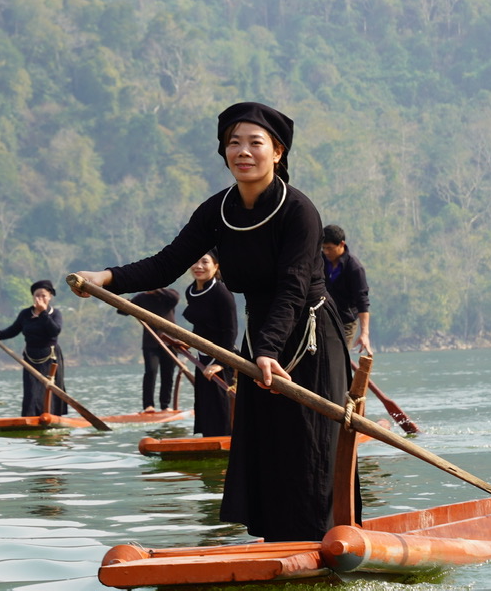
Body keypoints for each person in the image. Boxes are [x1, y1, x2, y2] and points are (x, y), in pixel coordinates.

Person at [75, 101, 351, 542]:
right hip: (262, 335)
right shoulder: (217, 210)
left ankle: (325, 540)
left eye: (255, 143)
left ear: (277, 152)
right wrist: (106, 277)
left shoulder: (300, 210)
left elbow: (294, 288)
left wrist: (267, 350)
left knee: (309, 444)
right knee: (267, 444)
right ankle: (277, 543)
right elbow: (166, 263)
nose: (243, 151)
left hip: (309, 337)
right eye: (233, 143)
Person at [0, 280, 66, 418]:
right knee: (31, 392)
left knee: (50, 390)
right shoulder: (25, 314)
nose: (40, 299)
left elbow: (54, 331)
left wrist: (43, 312)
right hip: (31, 358)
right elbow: (12, 331)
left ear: (50, 296)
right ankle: (30, 419)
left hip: (50, 358)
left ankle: (51, 418)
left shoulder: (54, 313)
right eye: (37, 296)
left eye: (43, 295)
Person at [182, 253, 238, 437]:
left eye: (204, 262)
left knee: (221, 406)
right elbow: (201, 325)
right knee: (205, 405)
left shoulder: (221, 292)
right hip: (202, 357)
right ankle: (208, 438)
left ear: (216, 266)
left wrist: (221, 363)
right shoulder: (191, 291)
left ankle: (226, 439)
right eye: (195, 261)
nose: (198, 266)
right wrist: (187, 341)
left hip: (221, 357)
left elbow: (230, 330)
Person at [320, 224, 372, 358]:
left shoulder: (354, 268)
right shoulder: (320, 261)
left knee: (337, 357)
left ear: (341, 244)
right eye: (323, 248)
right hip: (322, 317)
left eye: (330, 248)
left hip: (345, 322)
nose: (326, 252)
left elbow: (363, 301)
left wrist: (364, 334)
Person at [133, 287, 185, 412]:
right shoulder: (141, 297)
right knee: (151, 372)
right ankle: (148, 406)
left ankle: (165, 406)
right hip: (151, 343)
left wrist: (157, 289)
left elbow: (175, 299)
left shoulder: (169, 295)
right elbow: (122, 310)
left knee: (168, 374)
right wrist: (127, 303)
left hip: (170, 341)